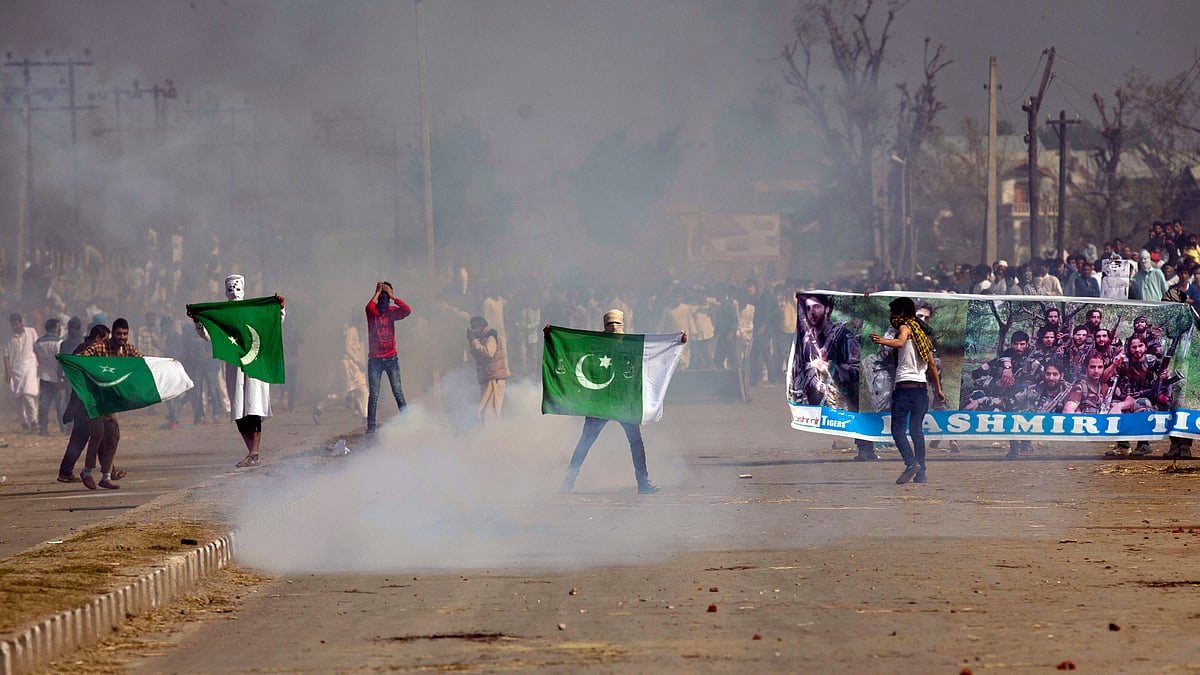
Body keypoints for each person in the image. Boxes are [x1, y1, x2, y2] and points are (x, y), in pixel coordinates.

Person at [558, 309, 686, 495]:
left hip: (622, 402)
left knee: (632, 441)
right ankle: (569, 481)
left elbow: (655, 352)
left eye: (617, 326)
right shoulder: (595, 344)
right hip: (600, 402)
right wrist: (551, 335)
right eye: (612, 327)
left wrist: (677, 342)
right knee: (587, 441)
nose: (614, 330)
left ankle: (642, 482)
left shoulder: (630, 345)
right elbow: (570, 347)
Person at [189, 274, 286, 468]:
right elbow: (207, 335)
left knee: (253, 408)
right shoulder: (223, 316)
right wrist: (198, 321)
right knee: (239, 410)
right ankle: (252, 452)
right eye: (230, 287)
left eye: (236, 286)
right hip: (234, 367)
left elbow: (271, 323)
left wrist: (280, 309)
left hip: (254, 366)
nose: (234, 290)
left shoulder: (252, 310)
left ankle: (254, 453)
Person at [869, 297, 946, 485]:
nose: (891, 316)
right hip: (921, 390)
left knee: (897, 430)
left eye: (893, 312)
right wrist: (938, 390)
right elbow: (933, 368)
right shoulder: (923, 337)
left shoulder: (905, 327)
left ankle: (911, 464)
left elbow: (901, 342)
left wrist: (882, 340)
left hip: (904, 388)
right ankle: (921, 473)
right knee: (916, 431)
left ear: (901, 313)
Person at [791, 293, 876, 460]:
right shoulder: (809, 337)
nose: (812, 312)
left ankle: (866, 448)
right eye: (807, 308)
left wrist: (829, 367)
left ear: (827, 309)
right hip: (820, 393)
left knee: (858, 414)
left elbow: (855, 368)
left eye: (816, 307)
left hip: (846, 389)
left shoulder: (842, 336)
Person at [78, 318, 143, 489]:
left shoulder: (128, 349)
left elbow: (142, 363)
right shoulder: (101, 347)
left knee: (114, 435)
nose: (122, 337)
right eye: (119, 333)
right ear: (113, 333)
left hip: (110, 401)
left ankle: (106, 475)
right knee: (98, 433)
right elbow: (80, 359)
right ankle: (86, 472)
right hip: (94, 398)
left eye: (125, 334)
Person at [56, 324, 109, 483]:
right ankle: (107, 470)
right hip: (84, 404)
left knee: (93, 436)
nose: (106, 344)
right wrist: (71, 410)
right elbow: (78, 385)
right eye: (105, 340)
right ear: (98, 338)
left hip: (86, 403)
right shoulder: (84, 353)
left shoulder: (85, 350)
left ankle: (108, 470)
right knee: (89, 437)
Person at [365, 281, 412, 434]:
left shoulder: (391, 312)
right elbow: (368, 306)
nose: (385, 299)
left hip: (391, 359)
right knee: (374, 394)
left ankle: (407, 422)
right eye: (382, 296)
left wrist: (393, 296)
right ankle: (371, 427)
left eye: (387, 297)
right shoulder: (372, 313)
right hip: (375, 360)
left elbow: (407, 310)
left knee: (398, 392)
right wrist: (378, 292)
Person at [467, 315, 509, 425]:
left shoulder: (491, 336)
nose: (473, 330)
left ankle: (491, 435)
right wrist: (473, 341)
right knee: (486, 410)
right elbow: (476, 354)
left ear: (481, 326)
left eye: (474, 327)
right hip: (488, 377)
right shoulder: (482, 337)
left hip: (494, 378)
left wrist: (474, 341)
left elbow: (489, 352)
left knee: (490, 411)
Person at [5, 313, 40, 433]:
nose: (15, 326)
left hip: (30, 366)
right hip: (15, 369)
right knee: (18, 397)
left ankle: (34, 421)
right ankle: (24, 423)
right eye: (13, 325)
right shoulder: (9, 338)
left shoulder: (31, 332)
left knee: (28, 394)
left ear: (21, 322)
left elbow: (37, 349)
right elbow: (6, 355)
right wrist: (7, 371)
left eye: (16, 324)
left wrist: (40, 365)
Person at [33, 318, 64, 435]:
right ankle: (63, 428)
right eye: (58, 326)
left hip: (44, 375)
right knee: (60, 404)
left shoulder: (38, 342)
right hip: (57, 376)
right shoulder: (60, 342)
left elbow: (38, 358)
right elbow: (60, 359)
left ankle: (43, 428)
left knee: (44, 403)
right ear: (55, 327)